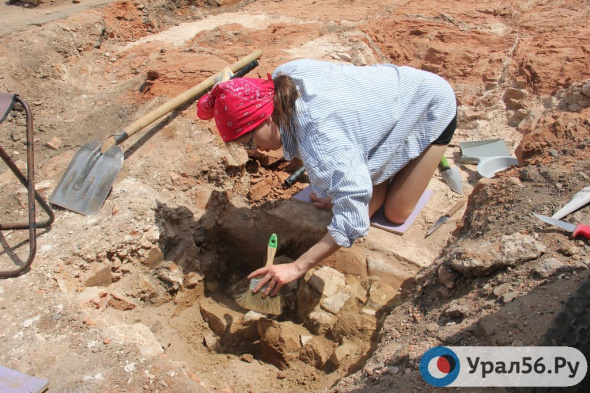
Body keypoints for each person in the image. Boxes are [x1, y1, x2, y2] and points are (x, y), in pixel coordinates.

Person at [196, 59, 457, 298]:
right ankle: (371, 169)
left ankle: (393, 162)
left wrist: (297, 267)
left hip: (428, 105)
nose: (252, 150)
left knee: (396, 212)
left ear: (266, 117)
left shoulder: (321, 142)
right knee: (353, 192)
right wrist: (345, 187)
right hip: (383, 110)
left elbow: (353, 223)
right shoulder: (277, 83)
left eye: (249, 140)